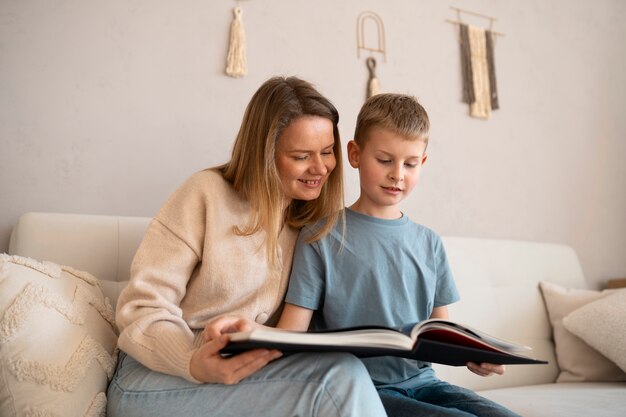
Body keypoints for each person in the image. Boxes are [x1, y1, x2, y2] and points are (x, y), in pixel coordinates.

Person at [107, 76, 388, 417]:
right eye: (301, 156)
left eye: (327, 152)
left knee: (345, 374)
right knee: (337, 381)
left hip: (250, 374)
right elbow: (141, 308)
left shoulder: (315, 221)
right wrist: (192, 361)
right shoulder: (205, 195)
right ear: (264, 154)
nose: (320, 168)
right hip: (154, 378)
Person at [277, 93, 521, 417]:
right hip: (362, 390)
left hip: (426, 383)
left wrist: (472, 355)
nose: (397, 174)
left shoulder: (429, 242)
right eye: (384, 160)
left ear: (422, 163)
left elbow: (440, 330)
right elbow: (292, 332)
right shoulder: (320, 237)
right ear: (354, 154)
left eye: (409, 163)